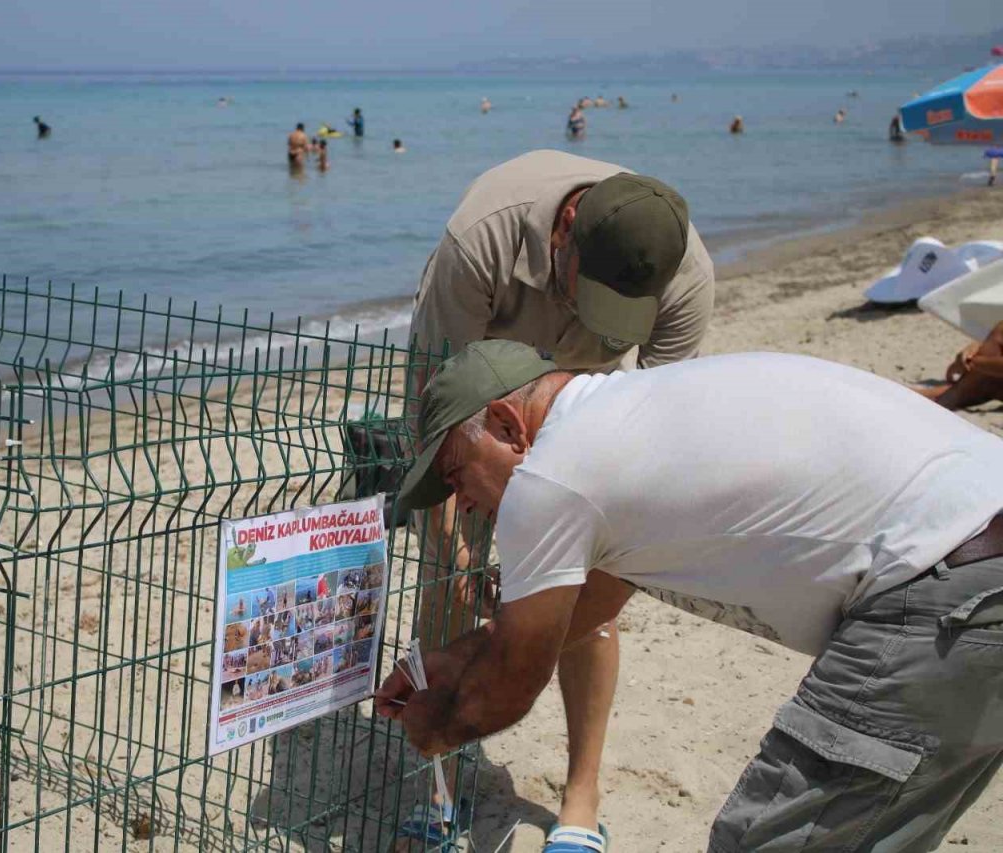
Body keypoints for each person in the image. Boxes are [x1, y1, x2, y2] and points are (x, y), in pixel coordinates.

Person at [379, 339, 1003, 853]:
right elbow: (581, 610)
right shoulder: (629, 418)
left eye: (457, 474)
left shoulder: (550, 477)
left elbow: (510, 684)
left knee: (759, 841)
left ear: (508, 425)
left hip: (945, 589)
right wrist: (455, 662)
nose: (463, 502)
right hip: (973, 556)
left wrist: (432, 726)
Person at [402, 149, 714, 848]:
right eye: (586, 291)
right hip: (480, 391)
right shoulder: (480, 238)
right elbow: (435, 411)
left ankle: (582, 796)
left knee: (589, 590)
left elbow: (657, 432)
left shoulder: (683, 273)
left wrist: (583, 561)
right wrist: (454, 544)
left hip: (590, 398)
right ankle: (440, 784)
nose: (586, 312)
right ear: (566, 228)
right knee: (444, 576)